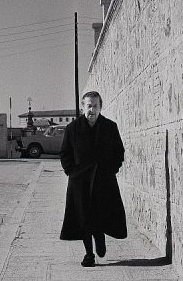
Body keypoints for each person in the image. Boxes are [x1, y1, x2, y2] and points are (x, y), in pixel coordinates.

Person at [59, 91, 127, 267]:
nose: (92, 109)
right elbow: (65, 153)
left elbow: (119, 152)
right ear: (83, 107)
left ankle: (100, 238)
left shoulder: (110, 127)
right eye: (89, 106)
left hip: (103, 181)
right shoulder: (72, 128)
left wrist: (111, 169)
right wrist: (72, 172)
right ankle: (89, 254)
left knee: (99, 214)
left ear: (100, 107)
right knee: (83, 218)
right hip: (80, 182)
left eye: (95, 106)